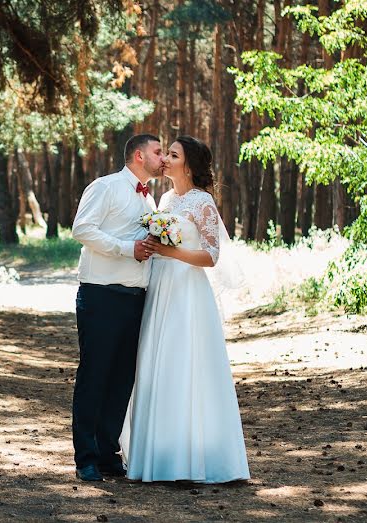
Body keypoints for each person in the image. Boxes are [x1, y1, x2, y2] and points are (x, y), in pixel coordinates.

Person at [120, 135, 250, 483]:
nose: (164, 160)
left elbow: (211, 255)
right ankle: (161, 454)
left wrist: (168, 253)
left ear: (188, 166)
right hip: (161, 289)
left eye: (172, 155)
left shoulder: (202, 202)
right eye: (165, 154)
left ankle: (194, 458)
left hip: (187, 293)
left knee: (186, 367)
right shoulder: (163, 199)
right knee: (157, 366)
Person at [70, 134, 165, 481]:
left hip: (136, 299)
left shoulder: (150, 200)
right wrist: (128, 249)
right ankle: (86, 458)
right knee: (94, 376)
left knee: (122, 379)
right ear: (139, 156)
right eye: (158, 152)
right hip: (101, 294)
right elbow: (82, 229)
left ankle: (109, 452)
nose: (162, 158)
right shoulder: (105, 186)